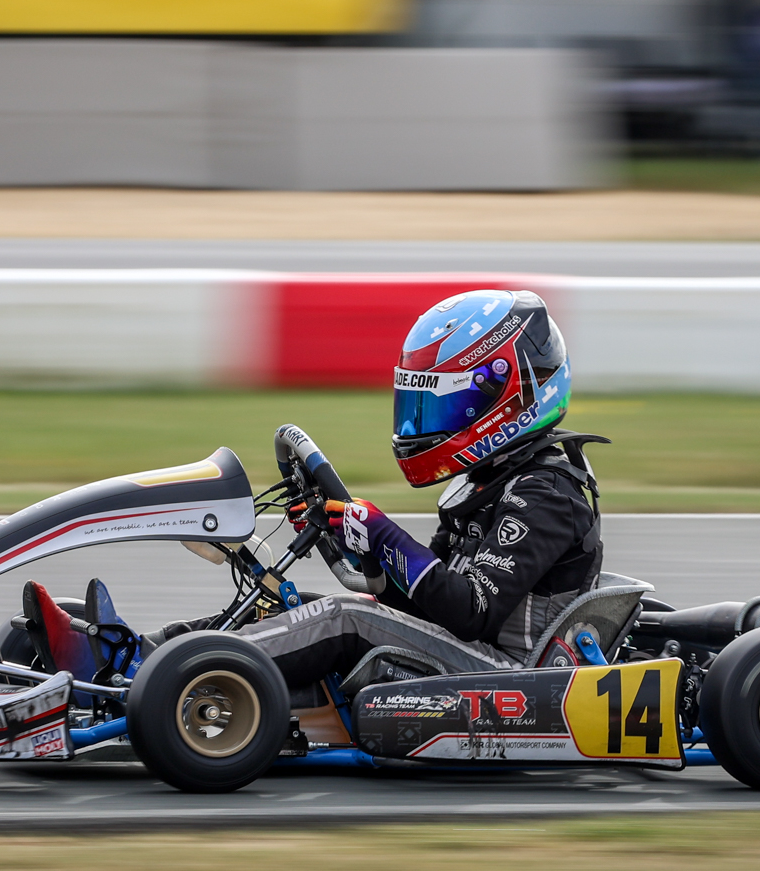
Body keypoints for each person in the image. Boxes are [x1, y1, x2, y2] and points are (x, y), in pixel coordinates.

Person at [145, 288, 609, 687]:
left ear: (506, 393)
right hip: (468, 650)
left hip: (511, 673)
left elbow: (470, 610)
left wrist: (382, 534)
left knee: (345, 618)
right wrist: (366, 557)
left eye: (444, 402)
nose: (421, 421)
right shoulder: (490, 483)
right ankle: (145, 653)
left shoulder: (547, 494)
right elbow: (431, 607)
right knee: (296, 608)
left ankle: (175, 677)